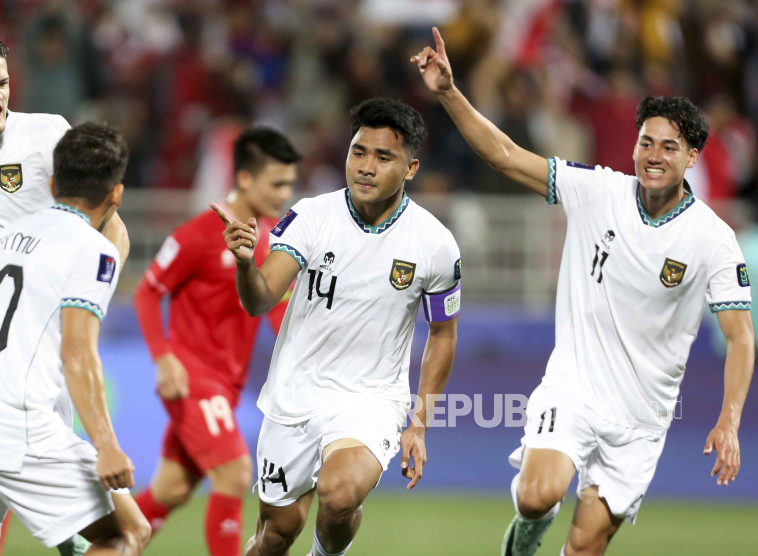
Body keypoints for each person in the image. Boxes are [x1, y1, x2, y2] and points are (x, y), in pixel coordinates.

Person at [412, 28, 754, 556]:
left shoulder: (713, 239)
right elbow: (505, 155)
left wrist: (729, 420)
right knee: (535, 495)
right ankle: (524, 537)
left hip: (642, 416)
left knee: (584, 548)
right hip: (574, 388)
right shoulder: (597, 191)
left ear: (692, 158)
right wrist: (449, 92)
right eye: (645, 142)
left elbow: (740, 337)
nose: (653, 155)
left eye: (669, 146)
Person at [211, 97, 462, 556]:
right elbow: (259, 299)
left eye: (383, 157)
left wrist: (419, 423)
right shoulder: (311, 217)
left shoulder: (435, 244)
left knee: (340, 493)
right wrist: (246, 265)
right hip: (295, 394)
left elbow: (443, 333)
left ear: (410, 169)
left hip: (370, 399)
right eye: (358, 152)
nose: (366, 167)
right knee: (275, 534)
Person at [0, 31, 130, 556]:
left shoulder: (44, 136)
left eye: (4, 82)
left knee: (20, 506)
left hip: (34, 341)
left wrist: (91, 291)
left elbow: (113, 228)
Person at [133, 127, 300, 555]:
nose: (286, 194)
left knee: (170, 489)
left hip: (227, 383)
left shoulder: (266, 241)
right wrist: (164, 359)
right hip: (192, 378)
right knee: (234, 473)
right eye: (277, 183)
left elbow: (275, 311)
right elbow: (147, 291)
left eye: (290, 184)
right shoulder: (200, 233)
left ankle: (100, 546)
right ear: (244, 179)